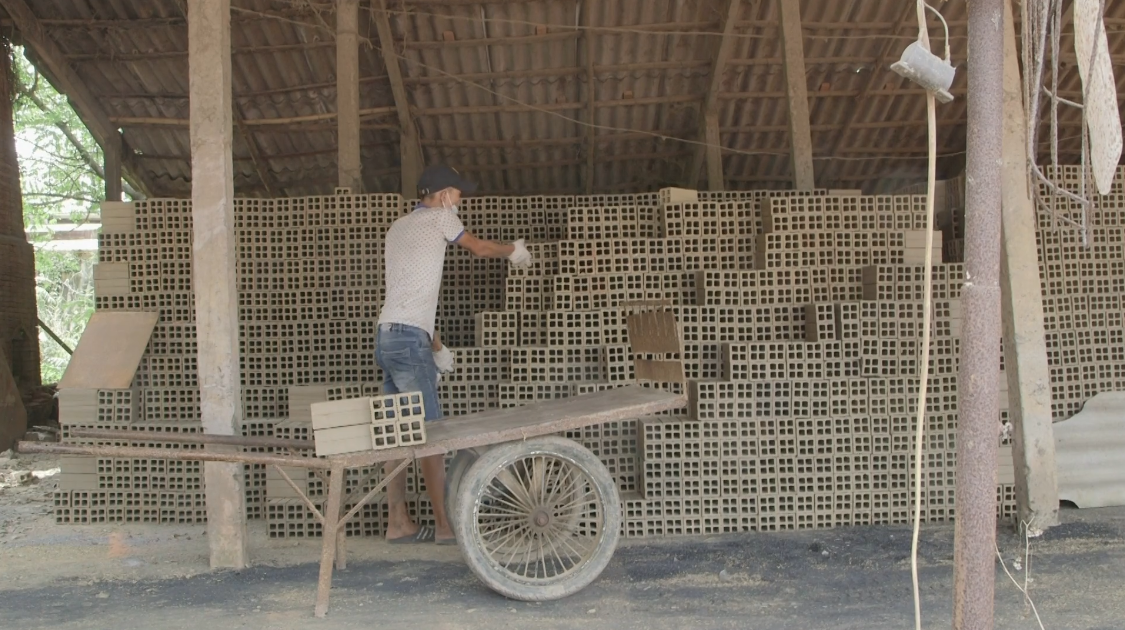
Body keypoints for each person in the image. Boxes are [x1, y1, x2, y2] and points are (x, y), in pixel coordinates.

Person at [376, 164, 532, 544]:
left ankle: (397, 523)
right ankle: (445, 527)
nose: (461, 200)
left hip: (387, 336)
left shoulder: (398, 227)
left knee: (396, 435)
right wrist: (514, 251)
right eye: (458, 193)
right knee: (434, 434)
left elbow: (408, 298)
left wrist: (436, 346)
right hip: (409, 338)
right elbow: (478, 248)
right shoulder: (441, 219)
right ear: (444, 195)